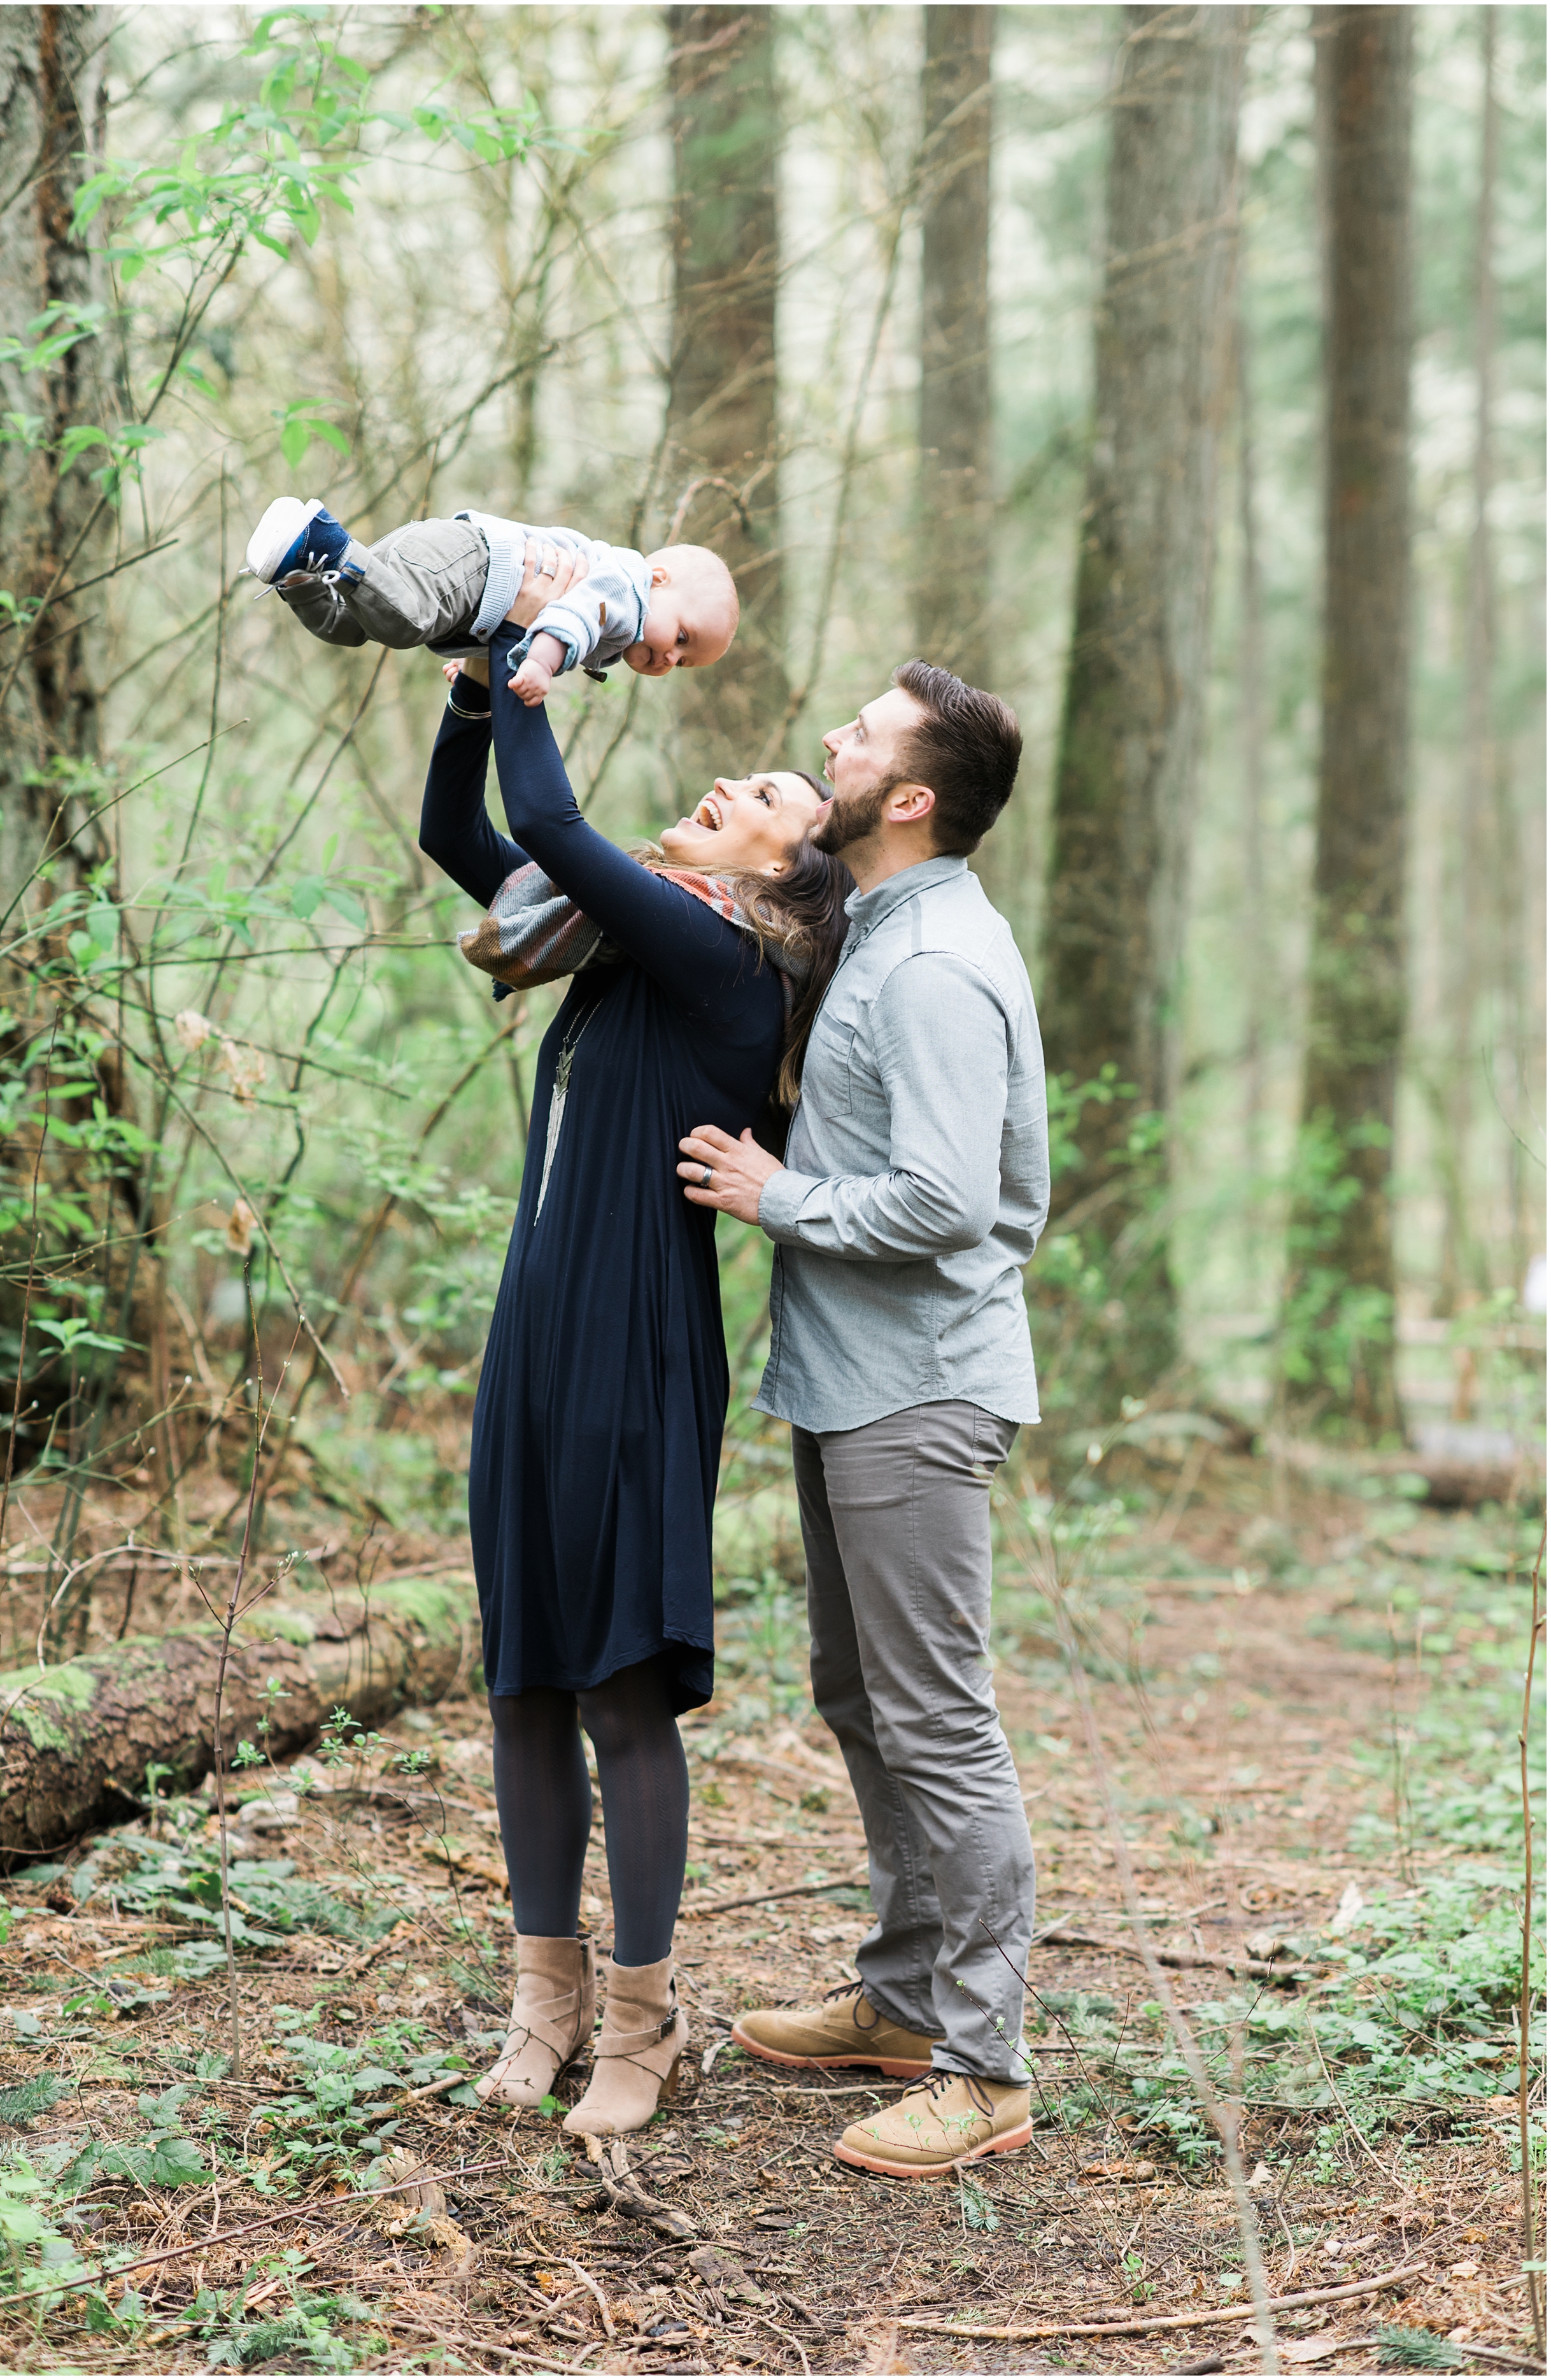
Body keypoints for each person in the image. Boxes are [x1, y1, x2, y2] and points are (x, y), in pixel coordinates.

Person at [419, 553, 849, 2137]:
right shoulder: (622, 944)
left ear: (780, 883)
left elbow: (550, 819)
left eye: (758, 800)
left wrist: (543, 658)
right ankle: (543, 1999)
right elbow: (466, 833)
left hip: (638, 1352)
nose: (722, 785)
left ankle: (645, 2026)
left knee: (617, 1693)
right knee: (525, 1680)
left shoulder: (729, 970)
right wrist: (475, 694)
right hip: (535, 1338)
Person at [676, 660, 1049, 2180]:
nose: (828, 737)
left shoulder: (939, 964)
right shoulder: (879, 932)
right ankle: (900, 2002)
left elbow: (951, 1201)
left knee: (939, 1720)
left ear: (909, 798)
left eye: (862, 734)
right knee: (861, 1696)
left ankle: (984, 2067)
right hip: (850, 1381)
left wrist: (781, 1196)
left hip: (922, 1387)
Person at [243, 495, 737, 705]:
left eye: (685, 662)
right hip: (469, 563)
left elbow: (525, 621)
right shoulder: (626, 589)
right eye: (682, 637)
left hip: (450, 564)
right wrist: (540, 664)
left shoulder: (620, 623)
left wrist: (481, 661)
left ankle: (298, 571)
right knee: (402, 624)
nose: (671, 658)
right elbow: (572, 616)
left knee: (354, 627)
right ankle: (328, 541)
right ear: (659, 578)